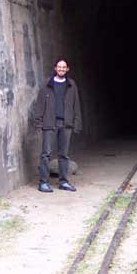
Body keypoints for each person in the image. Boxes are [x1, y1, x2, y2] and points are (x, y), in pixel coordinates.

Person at [33, 58, 82, 193]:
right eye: (59, 67)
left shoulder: (71, 85)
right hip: (50, 123)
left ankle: (63, 182)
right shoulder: (46, 84)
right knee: (46, 154)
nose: (61, 69)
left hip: (65, 124)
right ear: (55, 68)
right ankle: (43, 183)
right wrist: (38, 122)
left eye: (64, 67)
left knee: (64, 155)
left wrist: (77, 122)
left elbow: (75, 104)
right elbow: (39, 104)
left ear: (67, 69)